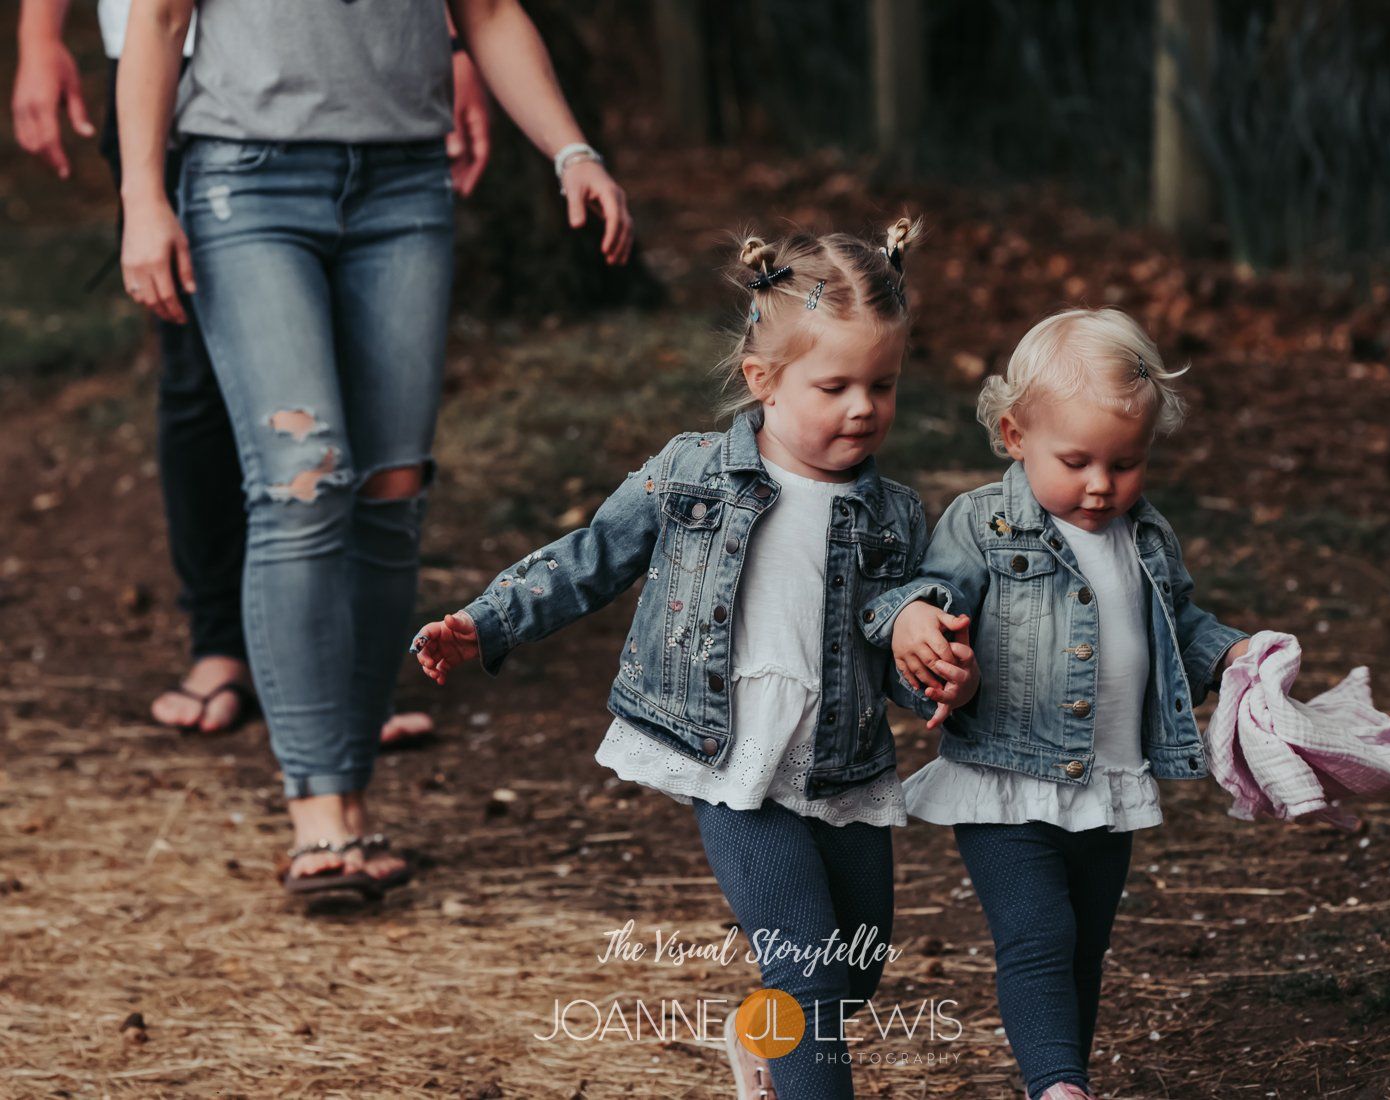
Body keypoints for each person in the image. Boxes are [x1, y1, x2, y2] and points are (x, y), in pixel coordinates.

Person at [115, 0, 633, 896]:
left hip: (403, 186)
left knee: (392, 493)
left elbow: (491, 12)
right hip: (246, 179)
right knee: (302, 484)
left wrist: (572, 150)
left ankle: (351, 794)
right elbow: (158, 20)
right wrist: (141, 198)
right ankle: (317, 811)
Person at [412, 221, 931, 1100]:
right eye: (835, 384)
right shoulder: (692, 475)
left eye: (882, 385)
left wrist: (937, 676)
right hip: (728, 758)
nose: (862, 408)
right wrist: (489, 620)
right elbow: (591, 556)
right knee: (809, 970)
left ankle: (759, 1037)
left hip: (841, 764)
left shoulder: (897, 517)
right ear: (763, 381)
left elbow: (896, 644)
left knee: (858, 961)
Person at [9, 0, 492, 742]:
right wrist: (40, 36)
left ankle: (337, 676)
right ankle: (221, 645)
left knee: (356, 373)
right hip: (162, 55)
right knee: (200, 370)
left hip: (350, 76)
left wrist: (452, 45)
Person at [870, 308, 1254, 1100]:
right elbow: (930, 598)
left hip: (1108, 776)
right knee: (1038, 934)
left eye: (1127, 463)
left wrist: (1234, 652)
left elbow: (1177, 622)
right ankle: (1057, 1086)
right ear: (1015, 435)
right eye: (1076, 460)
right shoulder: (986, 520)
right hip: (1006, 773)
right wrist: (922, 635)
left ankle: (1060, 1076)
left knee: (1082, 946)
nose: (1100, 486)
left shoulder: (1146, 537)